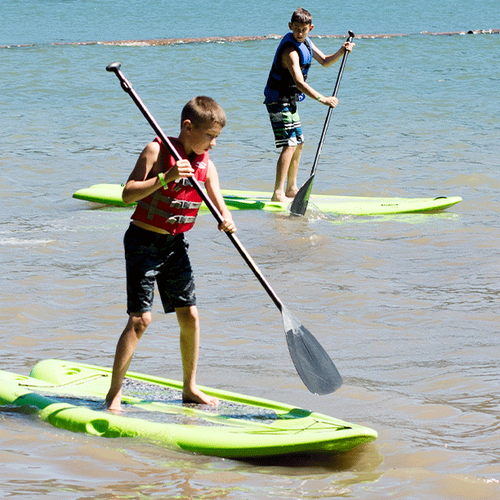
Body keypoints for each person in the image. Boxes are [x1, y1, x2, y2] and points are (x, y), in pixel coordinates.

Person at [105, 96, 236, 412]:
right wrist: (167, 177)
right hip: (143, 241)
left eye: (217, 137)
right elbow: (127, 195)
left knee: (190, 315)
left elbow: (221, 205)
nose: (214, 144)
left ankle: (190, 387)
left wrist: (227, 219)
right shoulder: (156, 151)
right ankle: (113, 394)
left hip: (175, 245)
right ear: (188, 127)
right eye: (210, 136)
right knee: (141, 319)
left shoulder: (207, 166)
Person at [264, 7, 355, 201]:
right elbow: (299, 82)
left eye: (303, 30)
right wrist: (323, 99)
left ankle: (291, 189)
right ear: (290, 26)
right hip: (277, 100)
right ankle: (277, 193)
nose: (299, 33)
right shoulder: (290, 51)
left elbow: (325, 61)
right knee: (289, 144)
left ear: (310, 28)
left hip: (289, 100)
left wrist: (342, 50)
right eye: (296, 29)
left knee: (299, 143)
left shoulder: (306, 42)